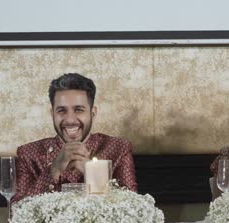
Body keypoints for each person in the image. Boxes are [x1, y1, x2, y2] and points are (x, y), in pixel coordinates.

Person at [12, 73, 137, 203]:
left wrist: (94, 175)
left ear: (92, 113)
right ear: (52, 114)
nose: (70, 120)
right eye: (61, 110)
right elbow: (15, 213)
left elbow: (134, 210)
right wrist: (54, 170)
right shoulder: (28, 154)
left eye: (78, 110)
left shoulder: (118, 149)